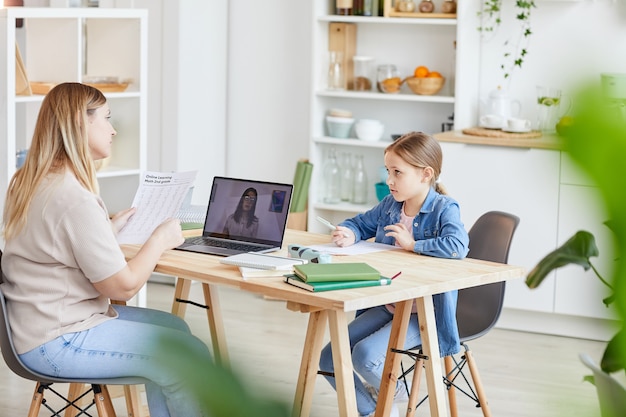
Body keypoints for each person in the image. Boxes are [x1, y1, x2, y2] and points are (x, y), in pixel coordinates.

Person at [1, 82, 213, 417]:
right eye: (106, 118)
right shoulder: (73, 198)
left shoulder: (28, 180)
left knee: (176, 331)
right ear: (78, 123)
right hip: (59, 340)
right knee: (186, 353)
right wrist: (159, 239)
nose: (113, 130)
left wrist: (105, 230)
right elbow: (123, 286)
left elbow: (52, 245)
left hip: (33, 329)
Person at [318, 132, 470, 417]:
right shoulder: (390, 206)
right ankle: (375, 410)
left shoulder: (444, 208)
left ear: (426, 174)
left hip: (425, 313)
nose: (389, 180)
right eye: (388, 171)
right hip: (390, 304)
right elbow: (360, 223)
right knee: (329, 357)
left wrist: (414, 245)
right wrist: (349, 233)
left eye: (397, 172)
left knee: (364, 356)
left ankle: (394, 395)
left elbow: (458, 246)